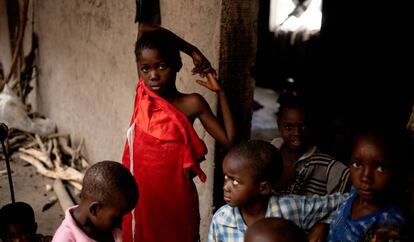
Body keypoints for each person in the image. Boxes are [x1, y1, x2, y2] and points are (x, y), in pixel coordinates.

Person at [121, 27, 235, 242]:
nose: (153, 75)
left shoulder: (191, 103)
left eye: (162, 66)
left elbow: (229, 140)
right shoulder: (144, 90)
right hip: (143, 196)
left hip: (177, 198)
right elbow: (146, 27)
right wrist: (192, 50)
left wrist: (220, 92)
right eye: (145, 69)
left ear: (177, 65)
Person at [207, 140, 347, 242]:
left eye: (235, 181)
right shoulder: (221, 219)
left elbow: (342, 202)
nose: (225, 186)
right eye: (226, 178)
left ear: (264, 188)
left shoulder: (291, 208)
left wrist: (323, 225)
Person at [327, 127, 409, 241]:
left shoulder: (388, 227)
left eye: (381, 168)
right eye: (357, 164)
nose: (366, 177)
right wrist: (322, 226)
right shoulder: (354, 194)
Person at [271, 93, 350, 196]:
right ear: (279, 125)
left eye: (304, 127)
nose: (297, 133)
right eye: (289, 127)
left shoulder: (323, 165)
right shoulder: (268, 149)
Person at [51, 160, 139, 242]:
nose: (120, 222)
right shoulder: (64, 239)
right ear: (95, 209)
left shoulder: (107, 228)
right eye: (117, 217)